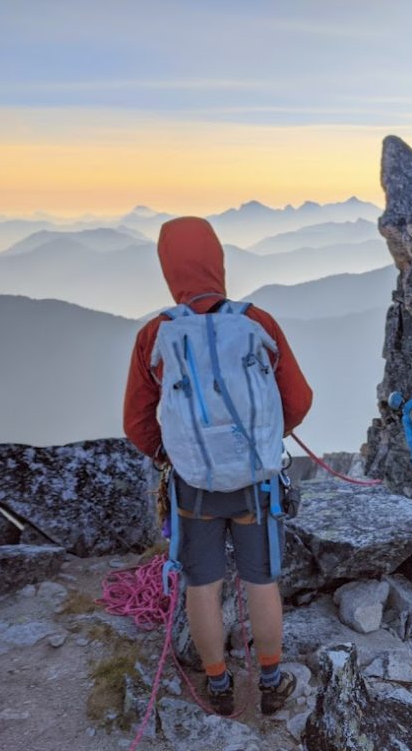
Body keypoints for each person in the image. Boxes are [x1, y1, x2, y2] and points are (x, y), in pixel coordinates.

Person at [123, 216, 313, 716]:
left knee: (201, 585)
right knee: (261, 581)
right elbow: (298, 398)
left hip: (194, 488)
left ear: (169, 269)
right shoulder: (257, 323)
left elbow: (137, 423)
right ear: (217, 261)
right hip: (256, 483)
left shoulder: (155, 336)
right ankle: (271, 682)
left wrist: (173, 455)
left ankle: (219, 685)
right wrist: (266, 439)